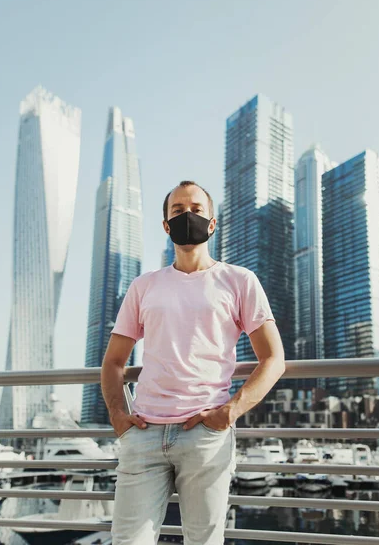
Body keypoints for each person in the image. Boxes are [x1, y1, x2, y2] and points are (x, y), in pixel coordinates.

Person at [102, 180, 285, 545]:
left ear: (213, 223)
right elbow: (113, 363)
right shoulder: (144, 286)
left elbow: (273, 359)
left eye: (197, 209)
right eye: (178, 211)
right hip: (144, 434)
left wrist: (229, 413)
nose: (188, 215)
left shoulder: (239, 281)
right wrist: (117, 416)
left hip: (205, 434)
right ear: (166, 226)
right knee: (127, 540)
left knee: (204, 541)